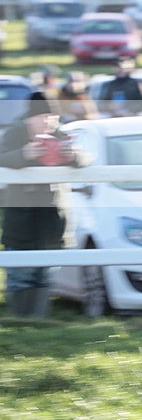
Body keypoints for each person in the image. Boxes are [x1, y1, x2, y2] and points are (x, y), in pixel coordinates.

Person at [0, 92, 87, 317]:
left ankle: (37, 321)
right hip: (21, 223)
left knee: (45, 278)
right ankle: (21, 320)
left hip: (52, 223)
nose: (47, 122)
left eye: (52, 116)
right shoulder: (14, 134)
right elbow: (2, 157)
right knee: (21, 279)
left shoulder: (60, 135)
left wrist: (73, 155)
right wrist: (24, 154)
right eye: (42, 117)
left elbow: (86, 158)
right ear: (29, 118)